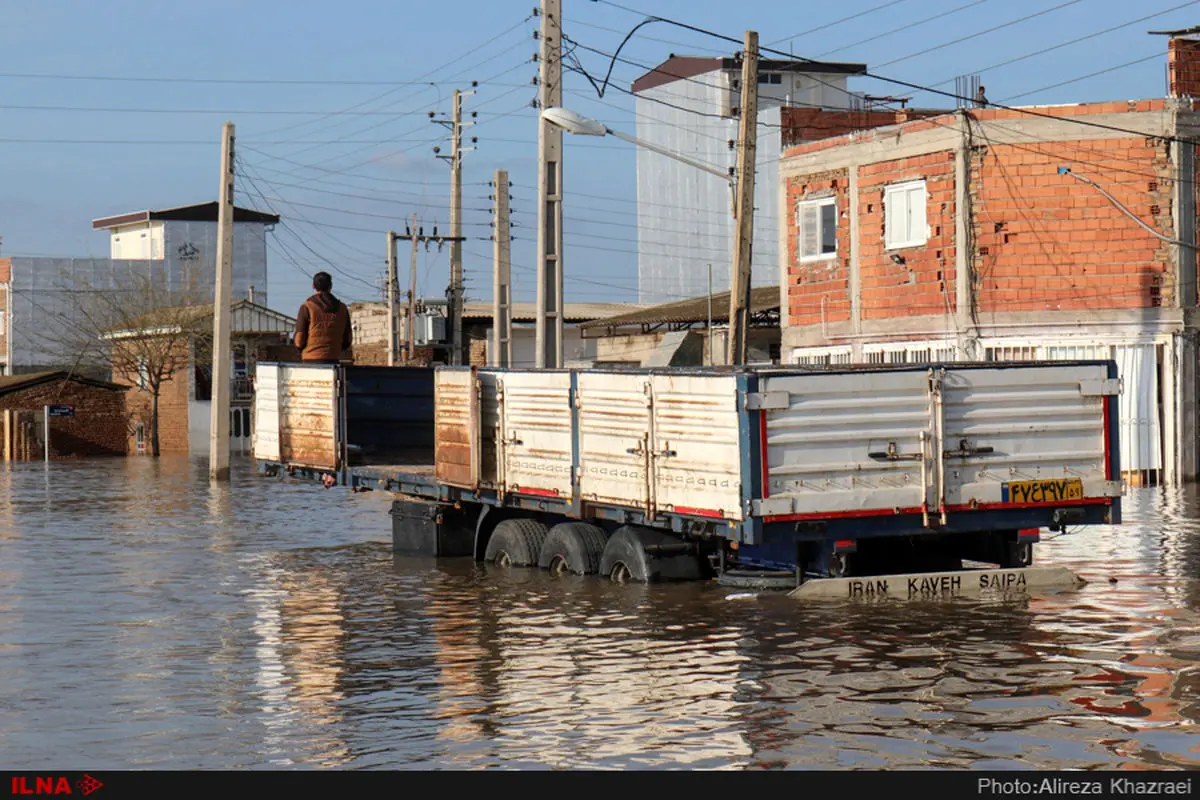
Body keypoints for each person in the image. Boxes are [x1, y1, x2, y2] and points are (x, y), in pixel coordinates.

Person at [294, 271, 352, 363]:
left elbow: (299, 340)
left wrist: (301, 348)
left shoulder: (307, 307)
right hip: (334, 360)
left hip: (310, 360)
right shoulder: (342, 308)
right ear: (331, 286)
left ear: (313, 286)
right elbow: (348, 339)